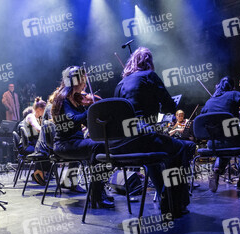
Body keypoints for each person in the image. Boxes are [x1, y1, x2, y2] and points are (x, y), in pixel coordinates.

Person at [112, 47, 195, 217]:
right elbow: (169, 106)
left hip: (120, 144)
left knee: (152, 156)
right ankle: (175, 203)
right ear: (149, 62)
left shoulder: (120, 84)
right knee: (182, 147)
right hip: (142, 135)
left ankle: (165, 194)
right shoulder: (149, 76)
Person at [52, 66, 114, 208]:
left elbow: (87, 123)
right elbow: (73, 120)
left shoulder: (77, 100)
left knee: (106, 146)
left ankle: (97, 192)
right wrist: (91, 110)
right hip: (64, 144)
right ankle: (97, 194)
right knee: (97, 146)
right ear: (76, 81)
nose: (85, 84)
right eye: (83, 80)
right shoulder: (63, 99)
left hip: (76, 142)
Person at [201, 76, 240, 192]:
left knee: (226, 148)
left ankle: (216, 171)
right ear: (232, 87)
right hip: (231, 140)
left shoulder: (210, 101)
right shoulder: (235, 94)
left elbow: (203, 118)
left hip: (213, 143)